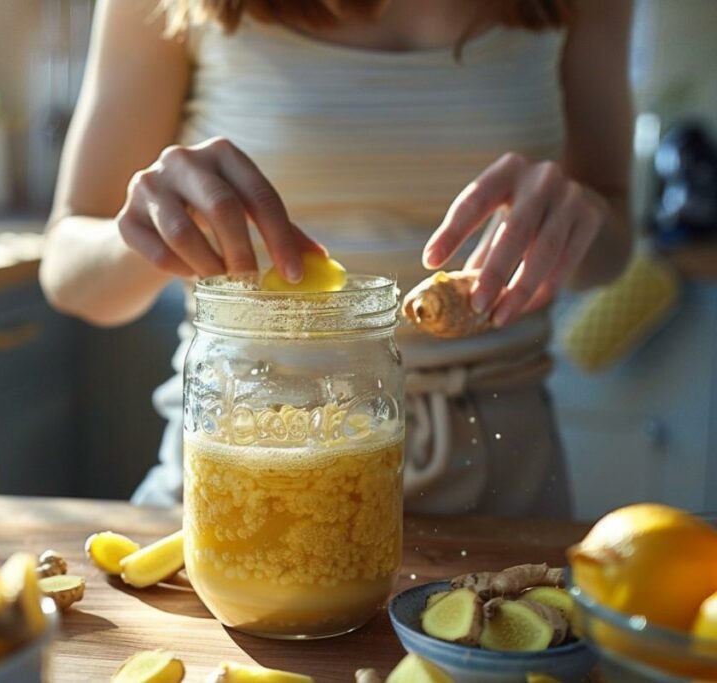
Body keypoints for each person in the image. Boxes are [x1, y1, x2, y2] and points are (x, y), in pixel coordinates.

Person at [39, 0, 633, 517]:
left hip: (499, 475)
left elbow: (613, 244)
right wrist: (155, 232)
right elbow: (68, 273)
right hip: (246, 461)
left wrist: (578, 216)